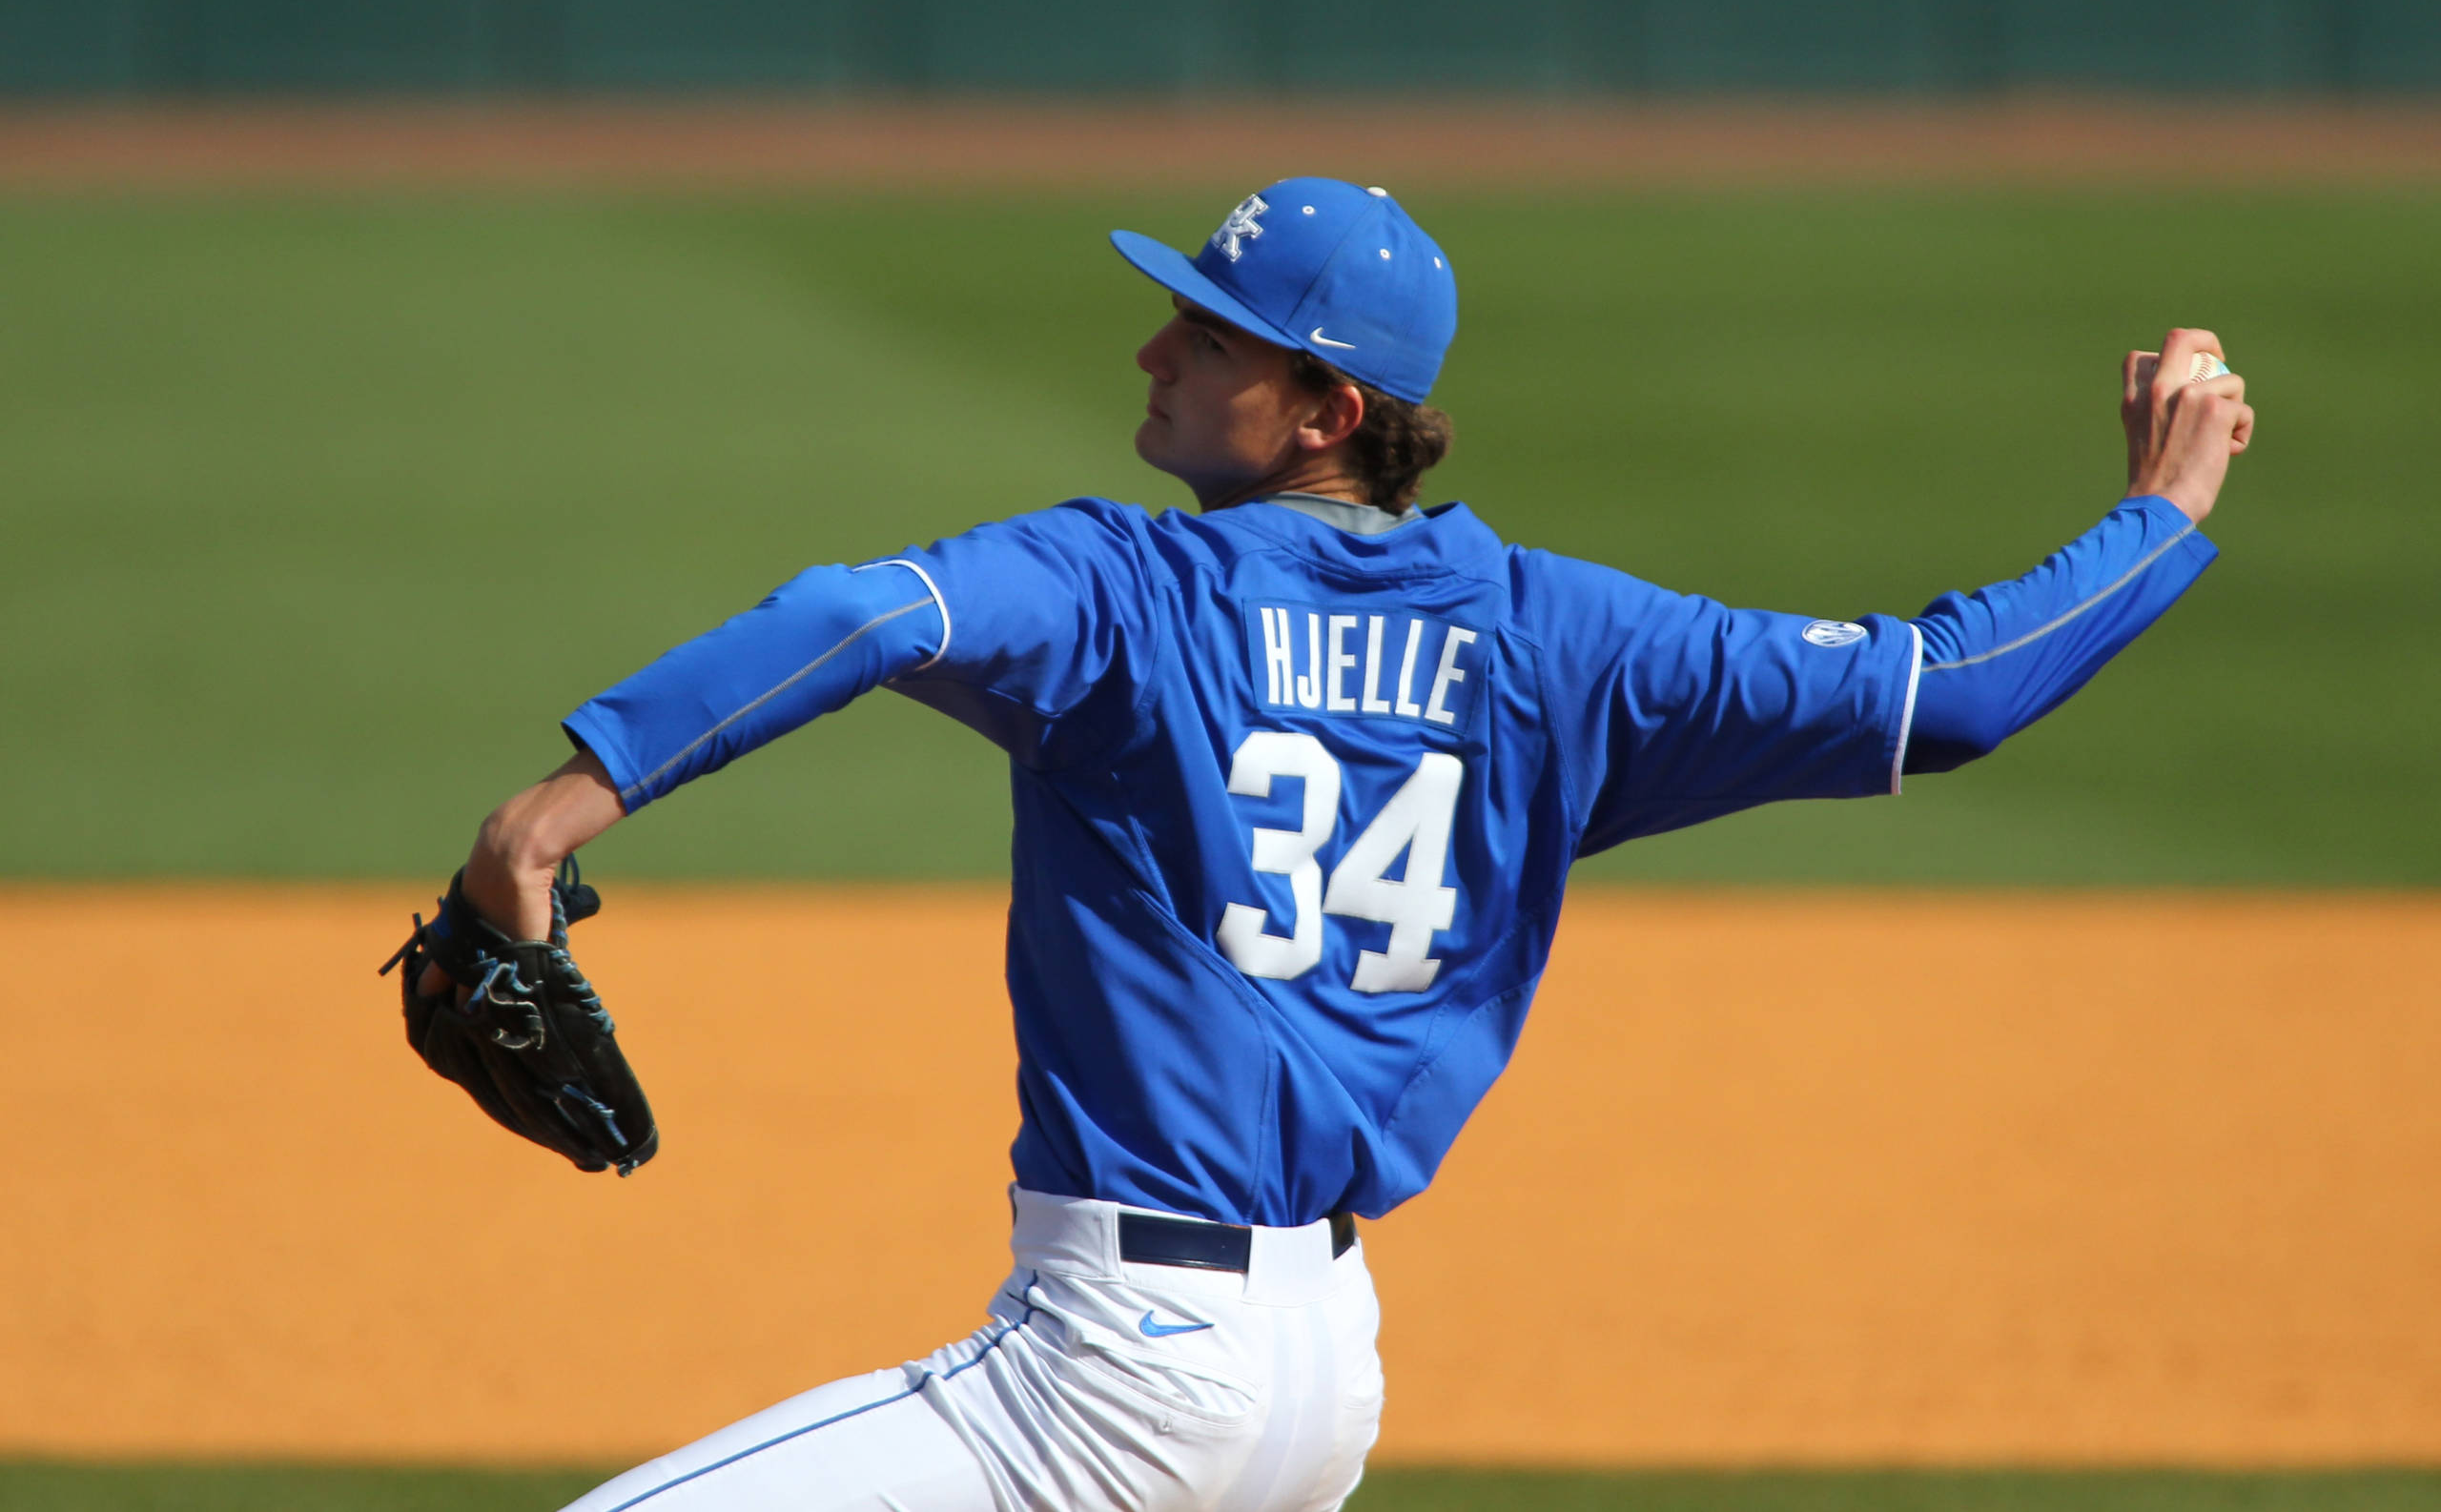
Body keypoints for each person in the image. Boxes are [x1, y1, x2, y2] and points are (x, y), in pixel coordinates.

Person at [423, 177, 2252, 1512]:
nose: (1150, 345)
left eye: (1209, 334)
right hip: (1319, 1392)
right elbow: (1947, 687)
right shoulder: (1558, 641)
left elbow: (865, 613)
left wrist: (555, 810)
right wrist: (2160, 514)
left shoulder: (1122, 591)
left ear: (1329, 411)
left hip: (1112, 1379)